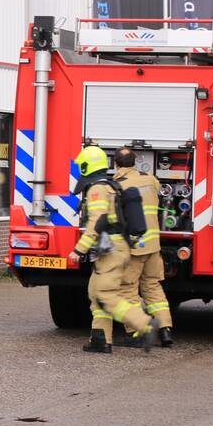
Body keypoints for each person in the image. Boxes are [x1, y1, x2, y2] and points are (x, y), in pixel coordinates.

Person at [68, 146, 157, 354]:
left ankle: (144, 324)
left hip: (112, 250)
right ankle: (100, 339)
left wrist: (79, 250)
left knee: (106, 294)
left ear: (86, 166)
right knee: (95, 293)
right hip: (113, 249)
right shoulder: (110, 186)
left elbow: (98, 221)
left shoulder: (97, 189)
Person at [112, 147, 174, 348]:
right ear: (134, 162)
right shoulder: (150, 179)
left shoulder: (118, 185)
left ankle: (140, 331)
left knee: (127, 290)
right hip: (153, 245)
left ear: (116, 164)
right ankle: (165, 330)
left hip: (134, 247)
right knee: (153, 287)